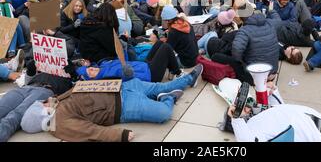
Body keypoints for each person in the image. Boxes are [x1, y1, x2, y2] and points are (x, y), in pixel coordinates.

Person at [20, 64, 204, 141]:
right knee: (164, 114)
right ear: (43, 118)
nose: (44, 102)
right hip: (124, 107)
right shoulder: (58, 124)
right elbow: (91, 132)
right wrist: (120, 136)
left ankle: (188, 79)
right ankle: (168, 98)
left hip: (121, 87)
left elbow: (77, 88)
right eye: (41, 106)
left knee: (159, 86)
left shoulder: (55, 103)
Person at [0, 59, 74, 142]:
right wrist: (31, 70)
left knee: (15, 115)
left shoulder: (70, 71)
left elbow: (75, 91)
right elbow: (27, 81)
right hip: (26, 87)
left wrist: (74, 73)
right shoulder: (43, 65)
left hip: (46, 90)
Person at [232, 10, 282, 79]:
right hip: (273, 73)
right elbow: (279, 20)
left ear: (241, 19)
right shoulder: (270, 23)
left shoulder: (244, 30)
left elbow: (236, 49)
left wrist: (241, 63)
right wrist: (271, 11)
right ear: (253, 13)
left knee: (223, 57)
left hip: (257, 76)